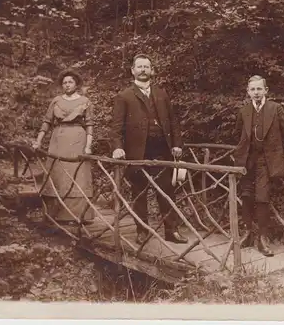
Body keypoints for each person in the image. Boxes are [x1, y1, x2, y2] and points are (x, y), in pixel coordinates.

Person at [111, 54, 188, 245]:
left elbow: (173, 122)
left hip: (162, 151)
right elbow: (116, 127)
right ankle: (142, 231)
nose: (143, 70)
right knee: (139, 193)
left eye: (147, 67)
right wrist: (118, 148)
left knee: (167, 191)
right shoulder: (124, 96)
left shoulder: (161, 94)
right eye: (140, 67)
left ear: (152, 70)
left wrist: (177, 144)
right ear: (133, 71)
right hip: (137, 153)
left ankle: (172, 231)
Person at [233, 75, 284, 256]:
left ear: (266, 90)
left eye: (259, 89)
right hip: (246, 160)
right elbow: (237, 134)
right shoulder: (243, 110)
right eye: (252, 89)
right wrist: (239, 153)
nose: (256, 92)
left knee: (262, 197)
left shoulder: (275, 109)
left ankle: (262, 238)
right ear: (248, 92)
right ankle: (248, 233)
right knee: (245, 195)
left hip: (266, 161)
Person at [32, 68, 95, 225]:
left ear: (76, 84)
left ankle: (79, 215)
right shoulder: (56, 101)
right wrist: (38, 141)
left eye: (70, 82)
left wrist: (88, 146)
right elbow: (47, 122)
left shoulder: (85, 101)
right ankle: (55, 214)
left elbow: (89, 125)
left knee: (77, 174)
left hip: (78, 140)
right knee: (57, 173)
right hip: (58, 140)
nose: (67, 85)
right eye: (64, 82)